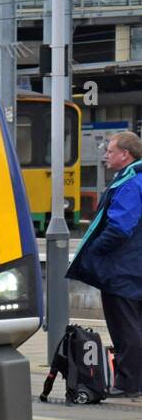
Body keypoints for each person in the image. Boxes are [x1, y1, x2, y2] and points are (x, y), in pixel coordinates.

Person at [66, 131, 142, 399]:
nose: (105, 155)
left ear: (126, 154)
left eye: (110, 151)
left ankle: (129, 383)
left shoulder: (131, 183)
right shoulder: (134, 179)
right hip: (133, 266)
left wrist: (96, 251)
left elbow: (120, 227)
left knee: (126, 327)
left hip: (123, 269)